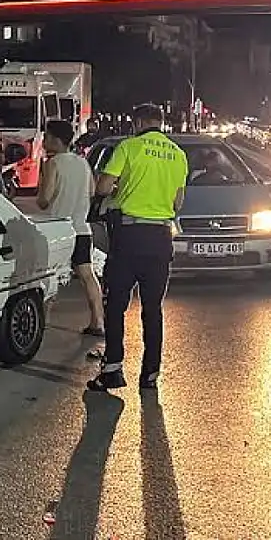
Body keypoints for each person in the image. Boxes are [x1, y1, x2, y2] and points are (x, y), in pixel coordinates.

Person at [88, 104, 187, 392]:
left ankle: (113, 369)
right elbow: (177, 204)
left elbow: (103, 187)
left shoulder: (129, 147)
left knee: (116, 304)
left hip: (129, 236)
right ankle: (151, 374)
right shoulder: (178, 155)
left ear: (139, 122)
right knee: (152, 309)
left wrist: (120, 190)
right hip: (160, 238)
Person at [38, 120, 104, 337]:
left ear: (56, 140)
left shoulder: (53, 163)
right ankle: (98, 321)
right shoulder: (83, 163)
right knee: (87, 275)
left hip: (59, 231)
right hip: (82, 229)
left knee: (49, 276)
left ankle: (42, 323)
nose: (44, 141)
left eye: (47, 137)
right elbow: (93, 191)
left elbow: (44, 200)